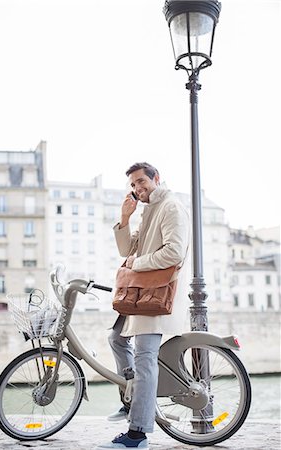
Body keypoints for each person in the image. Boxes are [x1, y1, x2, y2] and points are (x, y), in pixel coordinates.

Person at [96, 162, 190, 450]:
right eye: (133, 185)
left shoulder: (171, 207)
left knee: (145, 359)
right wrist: (125, 219)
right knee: (116, 338)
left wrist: (137, 264)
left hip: (158, 295)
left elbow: (173, 253)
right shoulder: (148, 210)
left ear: (156, 178)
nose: (138, 188)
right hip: (141, 294)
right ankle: (131, 398)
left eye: (141, 182)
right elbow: (127, 250)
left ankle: (137, 434)